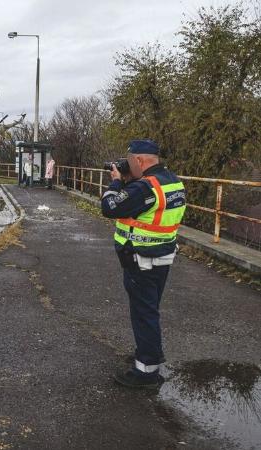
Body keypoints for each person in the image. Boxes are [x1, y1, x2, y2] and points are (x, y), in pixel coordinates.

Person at [100, 139, 186, 388]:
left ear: (138, 160)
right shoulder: (172, 181)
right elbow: (147, 211)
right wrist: (129, 183)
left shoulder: (145, 188)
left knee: (144, 314)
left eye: (128, 162)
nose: (126, 166)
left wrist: (116, 182)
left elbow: (110, 207)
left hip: (142, 261)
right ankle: (148, 352)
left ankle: (146, 373)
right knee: (149, 310)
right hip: (162, 257)